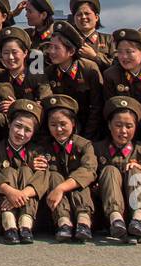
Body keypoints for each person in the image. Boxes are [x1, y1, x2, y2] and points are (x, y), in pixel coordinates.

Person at [94, 95, 141, 244]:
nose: (123, 131)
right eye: (118, 125)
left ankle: (138, 220)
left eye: (129, 126)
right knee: (110, 170)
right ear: (109, 125)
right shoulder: (97, 149)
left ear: (136, 127)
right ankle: (116, 221)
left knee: (135, 170)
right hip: (106, 211)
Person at [0, 98, 48, 244]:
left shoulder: (37, 152)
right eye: (18, 126)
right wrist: (9, 192)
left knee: (26, 171)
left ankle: (25, 226)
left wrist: (20, 195)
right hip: (0, 213)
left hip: (32, 214)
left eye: (27, 130)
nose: (21, 133)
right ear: (9, 124)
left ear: (33, 133)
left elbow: (43, 177)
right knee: (8, 172)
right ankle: (10, 225)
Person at [38, 94, 97, 242]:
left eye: (63, 124)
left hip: (82, 200)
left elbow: (89, 171)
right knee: (53, 176)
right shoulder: (43, 148)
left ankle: (84, 222)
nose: (58, 129)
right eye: (53, 125)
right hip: (54, 205)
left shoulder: (84, 145)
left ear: (73, 123)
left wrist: (61, 188)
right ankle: (63, 222)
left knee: (80, 181)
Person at [69, 0, 113, 65]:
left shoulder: (109, 40)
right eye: (79, 14)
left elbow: (118, 66)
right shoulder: (67, 41)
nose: (83, 17)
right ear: (74, 19)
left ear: (96, 17)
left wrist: (95, 56)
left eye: (87, 13)